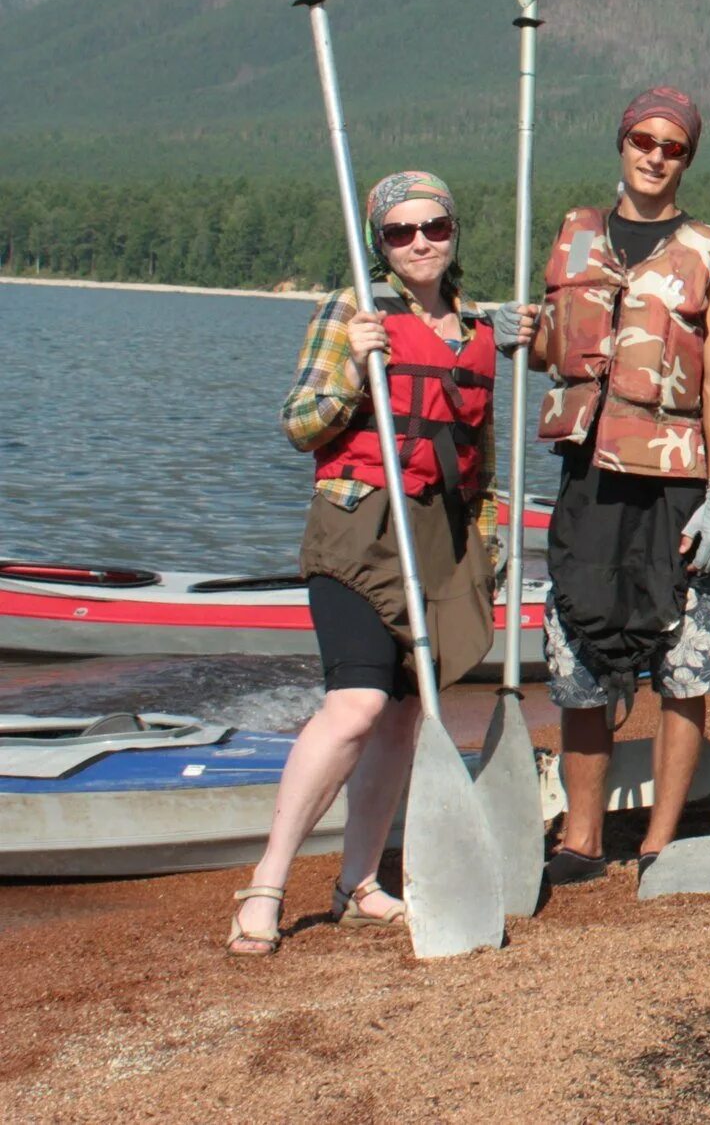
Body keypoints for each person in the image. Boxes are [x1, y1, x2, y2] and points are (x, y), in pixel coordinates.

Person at [227, 171, 496, 953]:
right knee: (357, 705)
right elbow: (299, 423)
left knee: (406, 715)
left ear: (454, 231)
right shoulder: (353, 309)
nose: (419, 243)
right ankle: (268, 882)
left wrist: (489, 537)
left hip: (441, 536)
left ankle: (358, 881)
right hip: (355, 524)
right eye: (400, 232)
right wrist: (352, 369)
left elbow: (479, 453)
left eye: (434, 227)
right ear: (379, 241)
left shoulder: (475, 325)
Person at [518, 87, 710, 885]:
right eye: (642, 139)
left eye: (672, 145)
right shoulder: (576, 233)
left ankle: (661, 839)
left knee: (687, 660)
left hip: (676, 479)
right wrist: (533, 335)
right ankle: (582, 837)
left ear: (688, 157)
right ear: (622, 142)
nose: (655, 154)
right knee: (577, 651)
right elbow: (557, 353)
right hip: (590, 477)